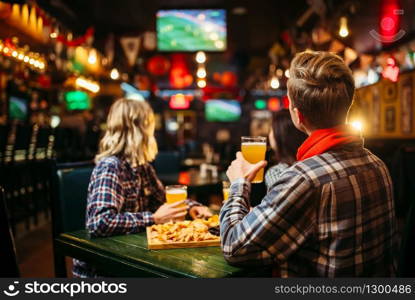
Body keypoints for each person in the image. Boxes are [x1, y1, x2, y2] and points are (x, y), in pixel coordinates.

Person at [221, 51, 397, 277]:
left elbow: (234, 248)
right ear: (347, 106)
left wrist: (238, 184)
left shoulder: (303, 179)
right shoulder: (378, 165)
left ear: (297, 115)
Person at [73, 98, 211, 277]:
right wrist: (153, 218)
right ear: (138, 129)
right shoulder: (110, 167)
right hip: (104, 270)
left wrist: (193, 207)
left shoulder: (142, 167)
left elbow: (162, 200)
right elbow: (99, 223)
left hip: (129, 257)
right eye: (149, 125)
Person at [265, 109, 307, 191]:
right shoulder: (312, 163)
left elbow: (275, 203)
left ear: (279, 134)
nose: (269, 134)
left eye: (271, 129)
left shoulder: (277, 171)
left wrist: (239, 181)